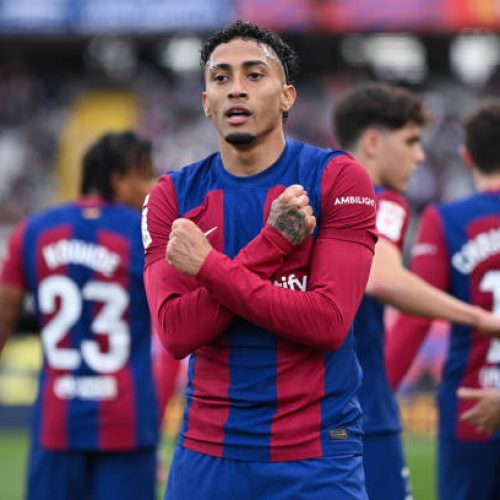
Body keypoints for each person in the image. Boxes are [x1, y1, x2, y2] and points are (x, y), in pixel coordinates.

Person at [142, 21, 378, 499]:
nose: (236, 90)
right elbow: (176, 332)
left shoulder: (337, 177)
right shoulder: (172, 194)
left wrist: (207, 267)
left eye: (254, 75)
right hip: (207, 456)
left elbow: (328, 322)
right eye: (221, 78)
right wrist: (273, 245)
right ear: (206, 102)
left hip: (316, 459)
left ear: (287, 96)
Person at [332, 84, 500, 500]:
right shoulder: (384, 202)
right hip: (366, 412)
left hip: (316, 412)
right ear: (373, 143)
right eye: (411, 141)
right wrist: (480, 319)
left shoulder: (310, 200)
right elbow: (384, 278)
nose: (420, 156)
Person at [0, 131, 171, 500]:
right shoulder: (146, 236)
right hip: (128, 425)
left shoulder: (31, 232)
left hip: (55, 424)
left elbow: (3, 319)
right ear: (117, 179)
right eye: (147, 175)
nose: (155, 187)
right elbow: (172, 336)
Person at [386, 100, 500, 500]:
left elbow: (416, 316)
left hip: (469, 407)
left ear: (467, 156)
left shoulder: (446, 220)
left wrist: (377, 399)